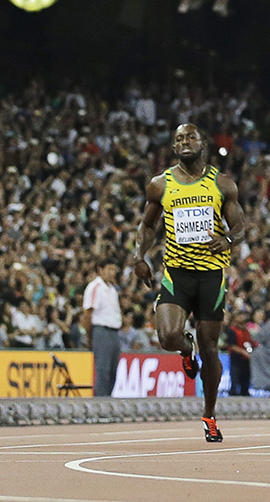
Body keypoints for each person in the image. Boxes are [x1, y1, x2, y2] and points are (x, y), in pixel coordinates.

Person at [130, 123, 247, 442]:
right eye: (178, 137)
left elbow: (239, 226)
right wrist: (139, 257)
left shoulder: (222, 184)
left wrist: (229, 239)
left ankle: (209, 415)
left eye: (190, 136)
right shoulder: (160, 184)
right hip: (177, 273)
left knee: (212, 349)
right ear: (173, 146)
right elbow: (147, 226)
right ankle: (185, 348)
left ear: (202, 143)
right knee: (168, 336)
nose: (184, 141)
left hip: (211, 276)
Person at [82, 260, 123, 399]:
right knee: (103, 369)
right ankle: (99, 404)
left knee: (113, 371)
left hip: (114, 332)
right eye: (109, 269)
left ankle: (107, 402)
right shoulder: (95, 287)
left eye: (114, 270)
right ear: (100, 269)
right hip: (101, 330)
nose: (112, 273)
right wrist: (89, 336)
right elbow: (87, 313)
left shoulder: (112, 289)